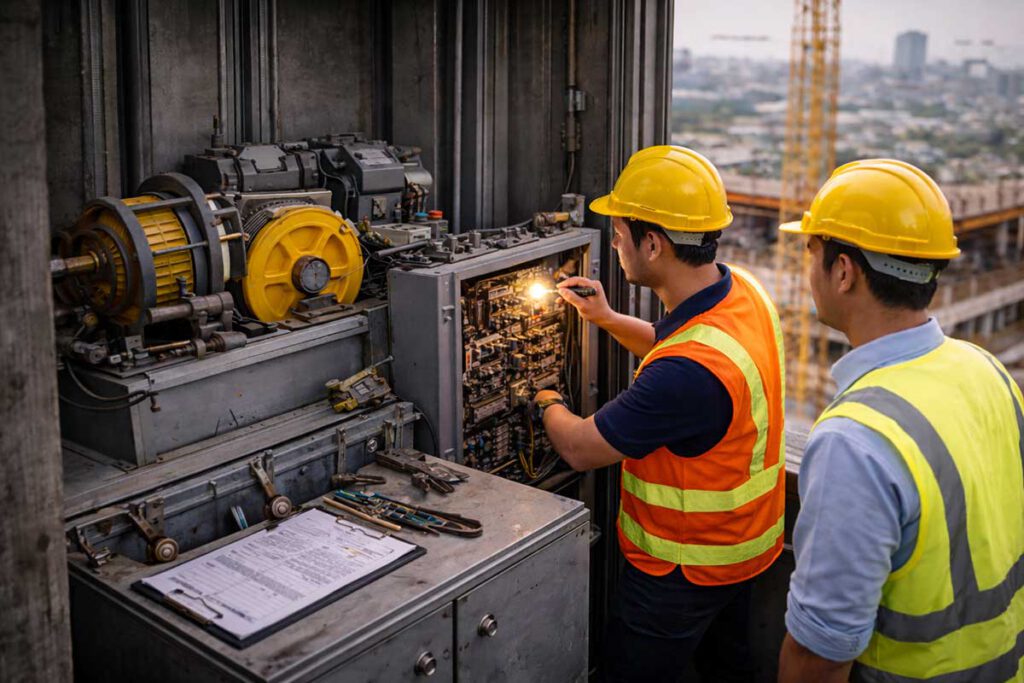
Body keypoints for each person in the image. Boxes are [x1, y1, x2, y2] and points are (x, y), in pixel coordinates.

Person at [532, 145, 786, 682]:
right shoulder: (742, 291)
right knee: (728, 669)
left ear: (653, 243)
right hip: (743, 551)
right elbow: (677, 349)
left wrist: (543, 398)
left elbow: (578, 448)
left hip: (681, 571)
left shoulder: (684, 375)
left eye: (620, 237)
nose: (617, 247)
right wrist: (604, 317)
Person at [777, 159, 1024, 682]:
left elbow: (818, 656)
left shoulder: (855, 440)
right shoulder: (988, 371)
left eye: (811, 253)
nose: (807, 269)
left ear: (843, 271)